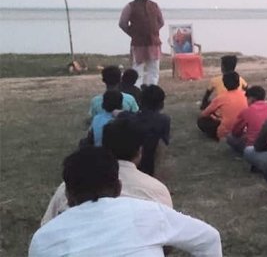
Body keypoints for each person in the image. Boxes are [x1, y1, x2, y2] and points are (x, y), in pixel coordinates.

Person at [30, 147, 221, 256]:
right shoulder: (149, 213)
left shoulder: (43, 239)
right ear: (118, 188)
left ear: (68, 196)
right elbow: (209, 239)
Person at [41, 116, 173, 225]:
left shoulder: (71, 185)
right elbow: (168, 235)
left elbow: (46, 226)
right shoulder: (155, 189)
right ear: (139, 151)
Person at [119, 0, 165, 87]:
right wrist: (133, 34)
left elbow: (161, 22)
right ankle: (137, 91)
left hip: (154, 43)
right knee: (137, 70)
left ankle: (151, 90)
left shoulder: (154, 5)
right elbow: (122, 23)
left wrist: (153, 32)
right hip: (139, 44)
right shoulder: (130, 6)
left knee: (153, 70)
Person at [227, 86, 267, 154]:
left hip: (253, 147)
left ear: (251, 98)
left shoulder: (247, 111)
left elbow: (235, 132)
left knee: (230, 137)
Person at [197, 72, 248, 141]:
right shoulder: (246, 95)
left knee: (201, 121)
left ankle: (217, 136)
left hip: (225, 132)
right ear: (239, 83)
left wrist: (214, 117)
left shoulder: (221, 98)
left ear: (224, 84)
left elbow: (204, 114)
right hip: (244, 129)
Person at [135, 85, 171, 177]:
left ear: (140, 102)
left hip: (134, 160)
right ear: (161, 104)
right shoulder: (164, 119)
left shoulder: (131, 118)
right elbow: (164, 142)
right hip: (151, 161)